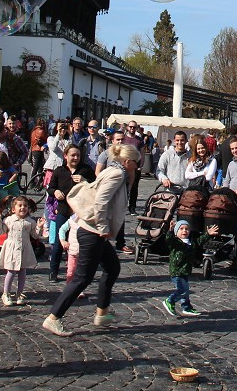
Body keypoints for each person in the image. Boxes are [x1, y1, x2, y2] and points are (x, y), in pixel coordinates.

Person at [42, 143, 140, 336]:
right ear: (127, 162)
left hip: (93, 231)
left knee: (112, 268)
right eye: (136, 163)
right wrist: (103, 228)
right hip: (92, 231)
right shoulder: (117, 174)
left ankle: (102, 313)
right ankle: (53, 317)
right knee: (82, 277)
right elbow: (101, 201)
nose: (137, 167)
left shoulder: (113, 170)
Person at [45, 145, 94, 282]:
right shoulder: (59, 171)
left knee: (80, 243)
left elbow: (95, 186)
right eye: (73, 155)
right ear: (65, 156)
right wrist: (55, 192)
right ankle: (53, 271)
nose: (76, 158)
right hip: (64, 210)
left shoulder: (86, 170)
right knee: (59, 241)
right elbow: (51, 188)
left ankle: (79, 272)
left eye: (78, 155)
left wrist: (85, 181)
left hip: (80, 212)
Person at [161, 219, 217, 317]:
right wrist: (170, 231)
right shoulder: (176, 243)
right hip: (177, 271)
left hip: (186, 271)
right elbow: (169, 239)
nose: (184, 231)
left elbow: (200, 241)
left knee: (185, 291)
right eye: (181, 229)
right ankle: (170, 301)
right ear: (176, 232)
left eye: (187, 229)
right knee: (182, 290)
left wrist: (208, 234)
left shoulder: (191, 243)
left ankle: (186, 308)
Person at [0, 196, 39, 306]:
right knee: (11, 270)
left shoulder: (30, 222)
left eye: (25, 206)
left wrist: (40, 227)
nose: (23, 208)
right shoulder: (9, 220)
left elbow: (35, 235)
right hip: (12, 248)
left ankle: (20, 293)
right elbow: (0, 232)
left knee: (22, 271)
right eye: (20, 205)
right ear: (13, 209)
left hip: (25, 248)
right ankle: (6, 293)